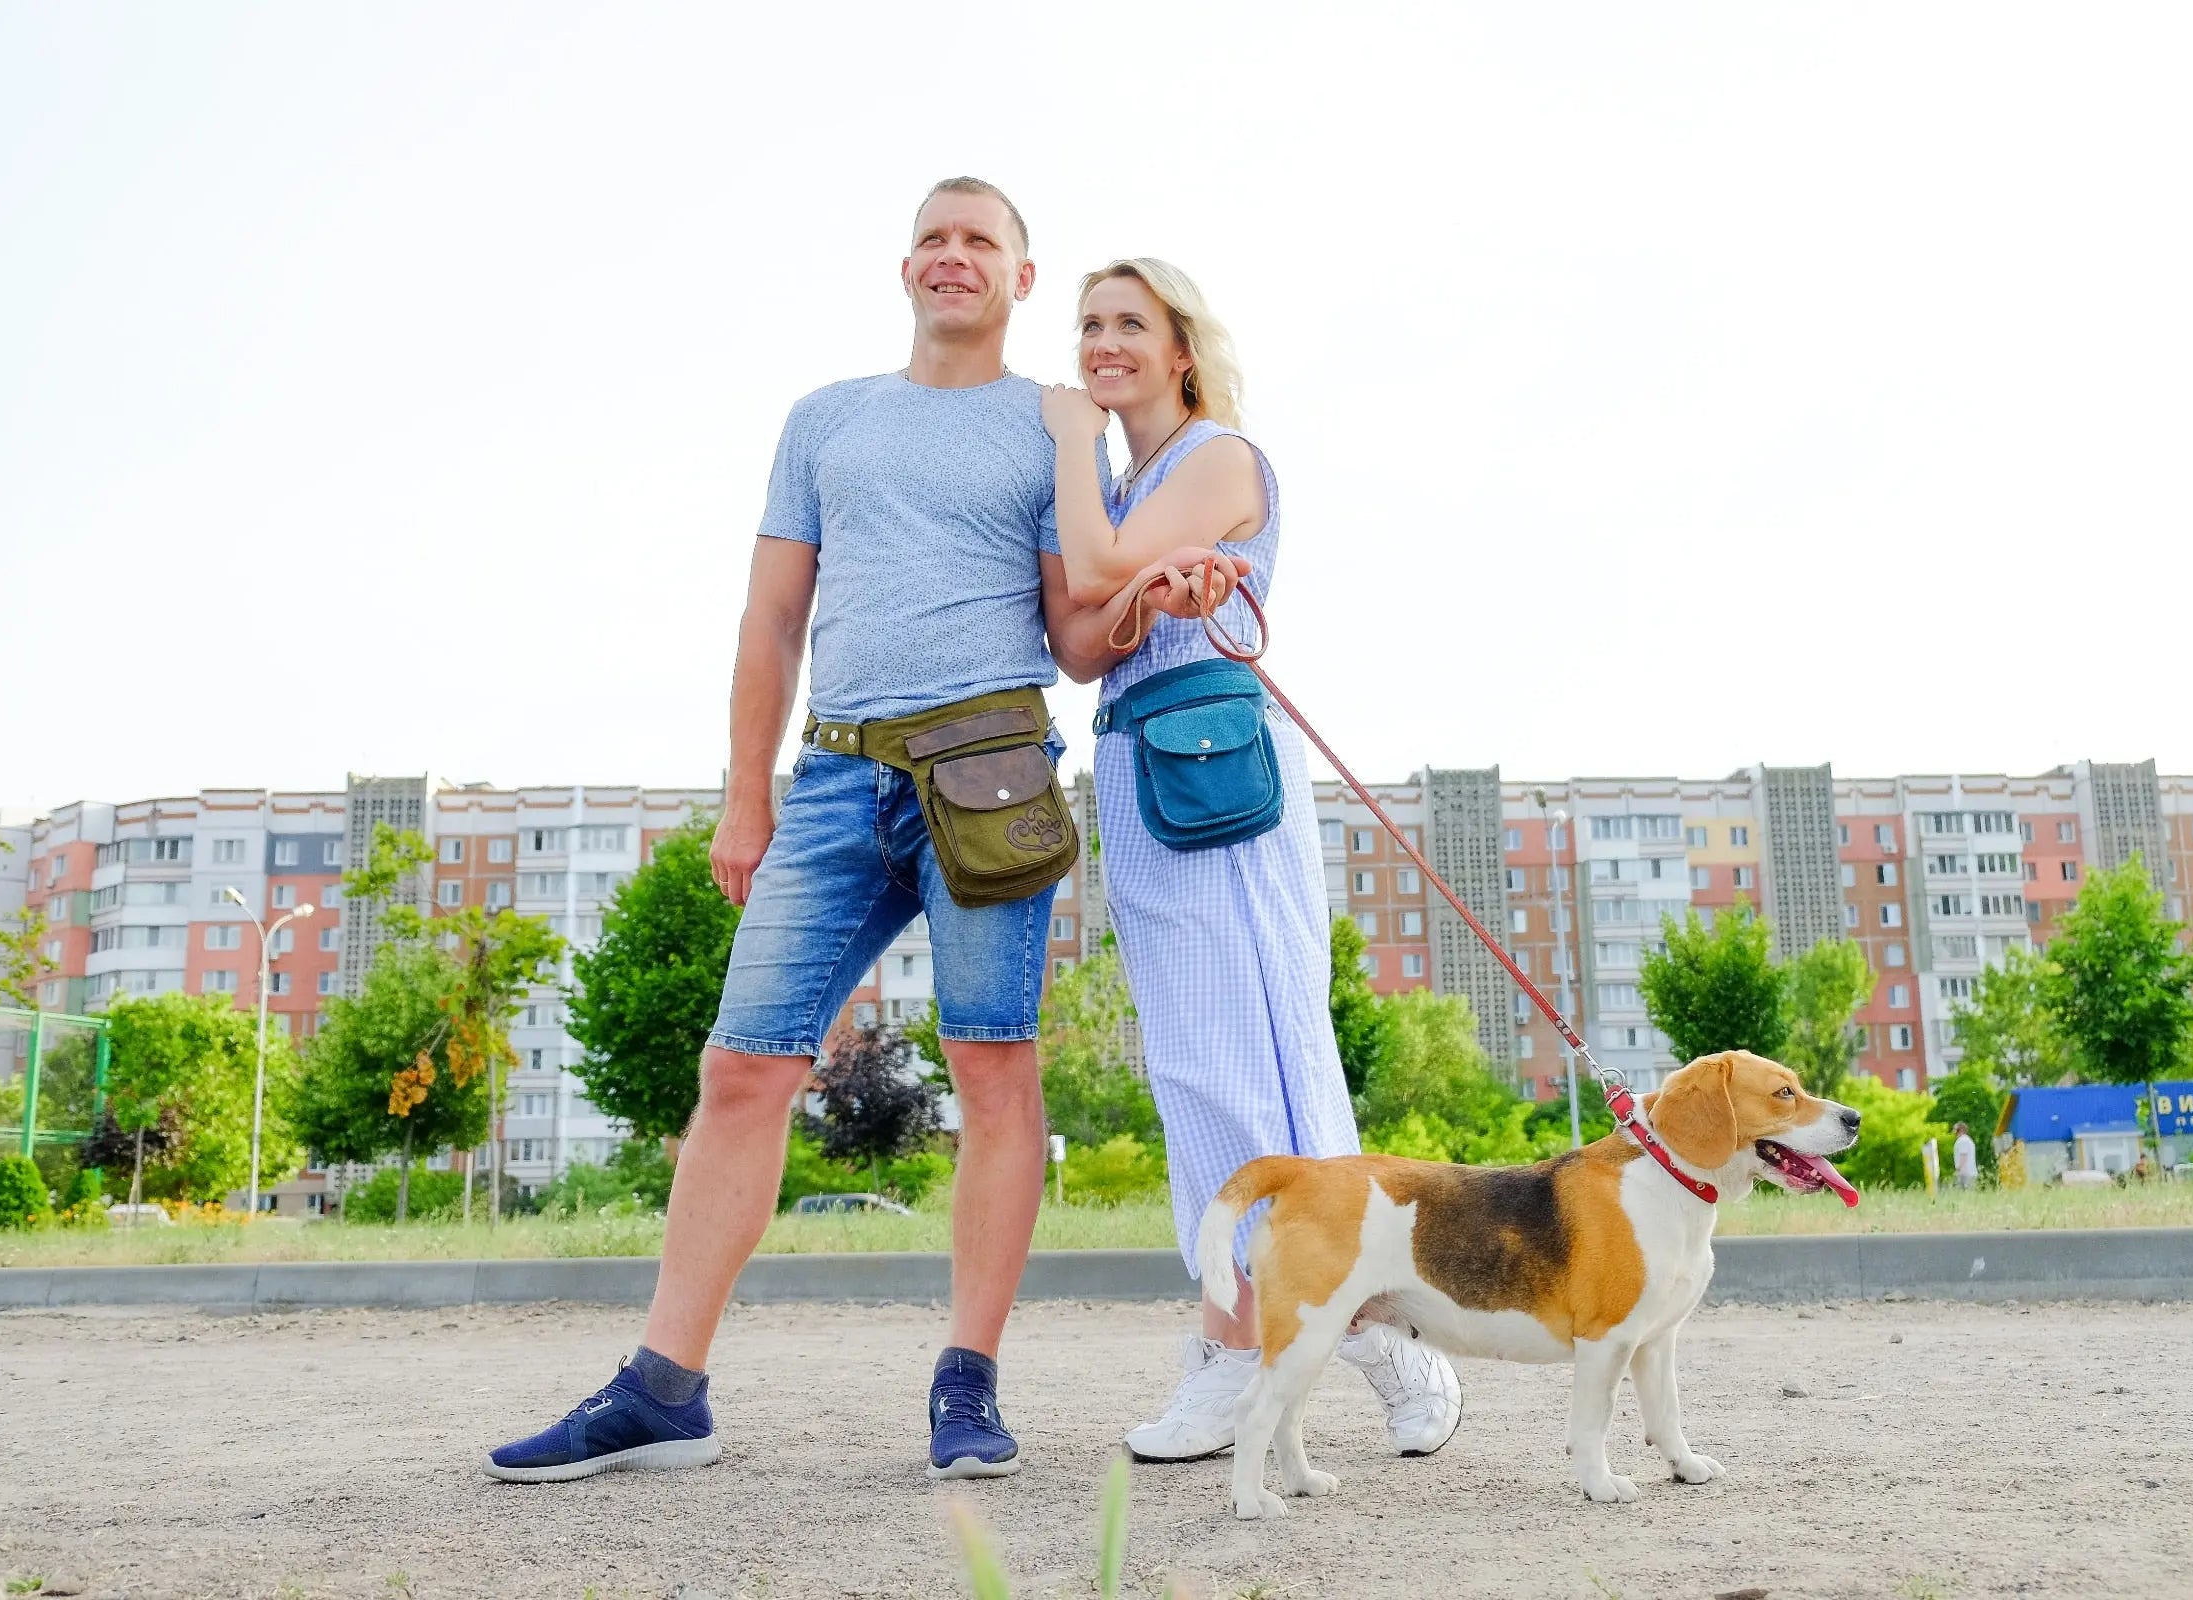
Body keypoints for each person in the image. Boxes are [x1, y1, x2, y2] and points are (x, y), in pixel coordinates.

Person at [483, 178, 1161, 1485]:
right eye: (935, 235)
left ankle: (967, 1384)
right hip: (836, 781)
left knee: (994, 1071)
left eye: (983, 239)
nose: (952, 253)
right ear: (904, 264)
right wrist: (749, 790)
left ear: (1025, 278)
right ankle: (663, 1390)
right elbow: (771, 620)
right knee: (741, 1068)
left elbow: (1073, 630)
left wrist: (1143, 598)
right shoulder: (825, 419)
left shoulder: (1058, 426)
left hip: (991, 769)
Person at [1039, 259, 1462, 1464]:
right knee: (1192, 1070)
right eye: (1087, 326)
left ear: (1181, 350)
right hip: (1136, 765)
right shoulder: (1131, 485)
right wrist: (1119, 568)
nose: (1101, 341)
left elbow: (1093, 567)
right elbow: (1080, 633)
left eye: (1130, 322)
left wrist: (1074, 446)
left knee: (1265, 1066)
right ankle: (1333, 1329)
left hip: (1218, 763)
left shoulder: (1220, 457)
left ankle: (1287, 1337)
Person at [1952, 1121, 1978, 1191]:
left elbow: (1963, 1156)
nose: (1953, 1131)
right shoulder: (1967, 1140)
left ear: (1960, 1129)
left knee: (1963, 1194)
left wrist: (1958, 1170)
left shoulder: (1962, 1141)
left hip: (1965, 1173)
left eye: (1955, 1129)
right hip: (1970, 1172)